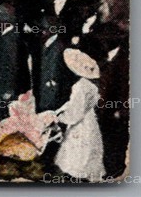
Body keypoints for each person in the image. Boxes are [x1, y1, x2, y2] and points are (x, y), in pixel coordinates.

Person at [48, 47, 104, 181]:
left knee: (77, 153)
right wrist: (62, 109)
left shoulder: (79, 87)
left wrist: (59, 117)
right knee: (89, 150)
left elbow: (75, 114)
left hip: (80, 124)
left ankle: (75, 179)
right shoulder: (92, 85)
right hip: (90, 121)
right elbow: (80, 105)